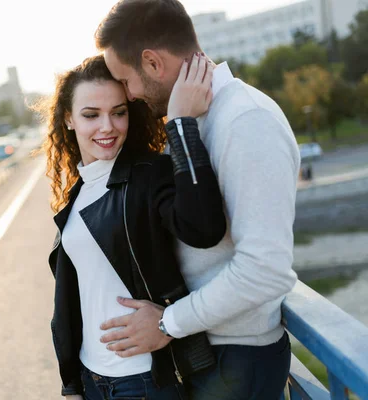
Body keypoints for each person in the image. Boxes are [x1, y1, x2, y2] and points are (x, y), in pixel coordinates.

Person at [95, 1, 301, 399]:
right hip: (207, 350)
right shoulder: (198, 116)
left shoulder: (245, 121)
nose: (129, 94)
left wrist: (166, 323)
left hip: (238, 360)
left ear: (152, 63)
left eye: (126, 80)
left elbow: (265, 271)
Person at [41, 53, 226, 400]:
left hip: (142, 381)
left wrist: (181, 122)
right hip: (92, 379)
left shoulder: (149, 175)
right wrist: (71, 384)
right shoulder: (76, 194)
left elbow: (203, 227)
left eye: (119, 112)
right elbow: (71, 300)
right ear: (68, 120)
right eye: (91, 115)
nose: (107, 126)